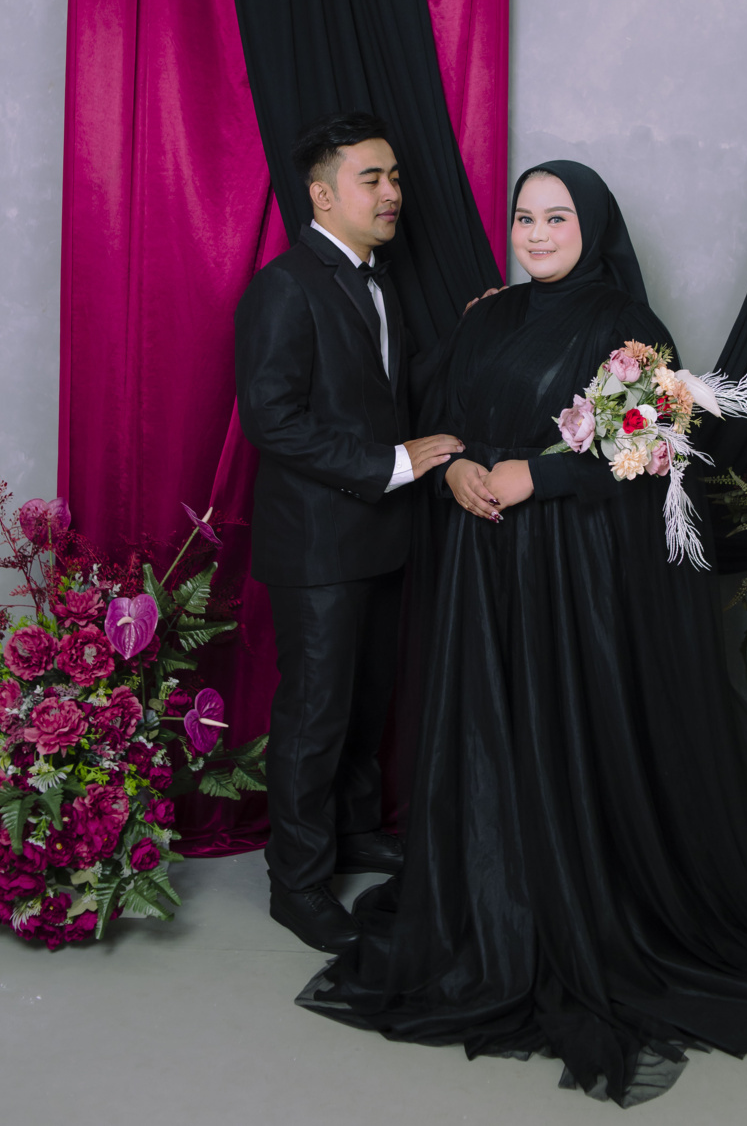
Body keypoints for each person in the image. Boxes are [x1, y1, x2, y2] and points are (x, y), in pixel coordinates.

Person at [296, 160, 747, 1105]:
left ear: (593, 225)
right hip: (483, 564)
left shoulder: (629, 328)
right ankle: (496, 896)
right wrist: (458, 469)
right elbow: (444, 417)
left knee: (566, 730)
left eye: (556, 217)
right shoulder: (488, 316)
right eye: (524, 216)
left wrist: (537, 476)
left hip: (571, 571)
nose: (536, 233)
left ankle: (579, 899)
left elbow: (649, 451)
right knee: (490, 727)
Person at [234, 112, 462, 954]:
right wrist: (392, 463)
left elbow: (378, 391)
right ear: (322, 194)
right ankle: (295, 881)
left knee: (366, 701)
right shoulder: (285, 285)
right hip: (317, 546)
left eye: (395, 176)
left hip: (376, 534)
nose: (393, 191)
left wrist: (473, 333)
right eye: (373, 178)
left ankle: (354, 831)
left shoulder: (377, 279)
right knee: (316, 712)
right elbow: (271, 419)